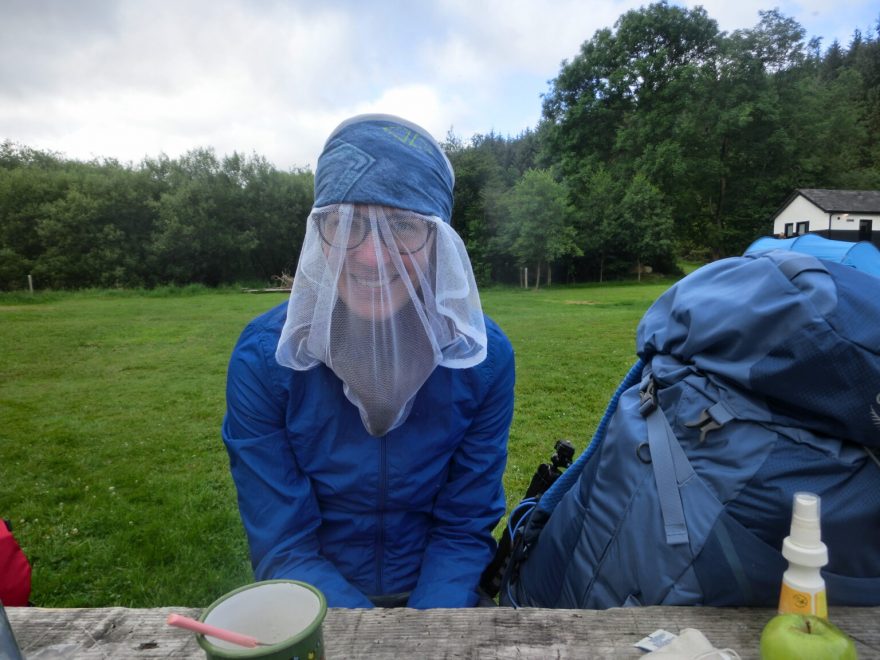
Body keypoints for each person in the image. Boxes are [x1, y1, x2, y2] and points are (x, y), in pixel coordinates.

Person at [222, 114, 515, 608]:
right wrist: (370, 638)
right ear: (321, 233)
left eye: (401, 225)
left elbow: (464, 524)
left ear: (438, 240)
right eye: (349, 223)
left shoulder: (481, 360)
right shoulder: (265, 359)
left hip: (441, 594)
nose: (373, 256)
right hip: (316, 601)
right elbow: (284, 543)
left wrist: (424, 633)